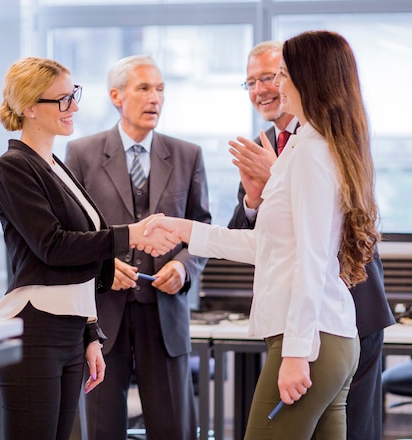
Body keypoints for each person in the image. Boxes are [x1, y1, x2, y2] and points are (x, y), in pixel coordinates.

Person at [144, 30, 380, 439]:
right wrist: (183, 229)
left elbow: (311, 258)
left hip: (310, 340)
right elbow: (270, 246)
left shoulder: (309, 151)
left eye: (282, 74)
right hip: (328, 338)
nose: (273, 85)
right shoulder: (307, 146)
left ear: (309, 79)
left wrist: (296, 353)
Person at [0, 56, 180, 440]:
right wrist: (131, 235)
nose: (74, 107)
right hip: (34, 330)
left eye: (73, 95)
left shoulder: (55, 165)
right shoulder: (13, 166)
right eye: (62, 99)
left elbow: (80, 259)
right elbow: (54, 248)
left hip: (67, 330)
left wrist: (89, 334)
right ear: (29, 107)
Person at [227, 40, 395, 440]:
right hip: (292, 319)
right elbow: (258, 237)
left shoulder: (324, 142)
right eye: (250, 82)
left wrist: (281, 175)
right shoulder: (265, 144)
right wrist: (256, 196)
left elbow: (321, 247)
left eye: (272, 76)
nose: (263, 89)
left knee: (358, 428)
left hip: (347, 309)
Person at [65, 55, 211, 440]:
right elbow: (71, 234)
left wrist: (183, 268)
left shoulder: (187, 155)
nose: (155, 98)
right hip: (103, 316)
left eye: (160, 89)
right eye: (144, 88)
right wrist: (103, 269)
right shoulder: (81, 154)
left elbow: (203, 227)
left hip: (165, 314)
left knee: (174, 428)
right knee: (100, 427)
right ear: (116, 95)